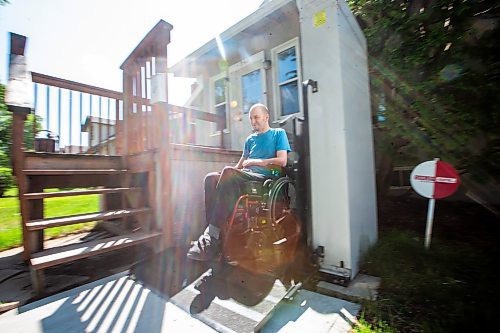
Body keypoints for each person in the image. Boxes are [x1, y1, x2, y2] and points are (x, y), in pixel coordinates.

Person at [187, 103, 291, 261]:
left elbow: (282, 161)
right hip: (245, 175)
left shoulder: (278, 133)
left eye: (256, 117)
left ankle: (212, 238)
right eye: (250, 118)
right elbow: (239, 165)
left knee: (229, 173)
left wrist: (256, 162)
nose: (253, 121)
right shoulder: (250, 140)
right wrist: (224, 175)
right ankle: (214, 233)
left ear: (266, 117)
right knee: (210, 178)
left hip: (265, 178)